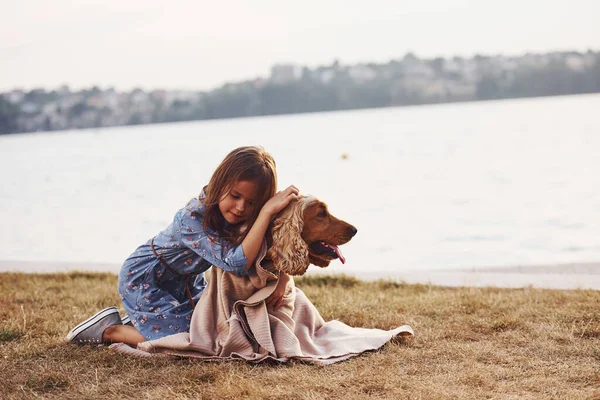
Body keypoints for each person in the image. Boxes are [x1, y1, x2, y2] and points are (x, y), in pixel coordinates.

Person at [66, 145, 299, 347]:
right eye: (235, 196)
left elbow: (269, 246)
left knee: (212, 329)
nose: (240, 208)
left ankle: (145, 321)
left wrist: (284, 278)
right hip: (145, 279)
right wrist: (266, 211)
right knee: (191, 341)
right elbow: (235, 263)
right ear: (220, 184)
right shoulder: (190, 219)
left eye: (252, 203)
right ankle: (111, 331)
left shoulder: (241, 217)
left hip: (186, 283)